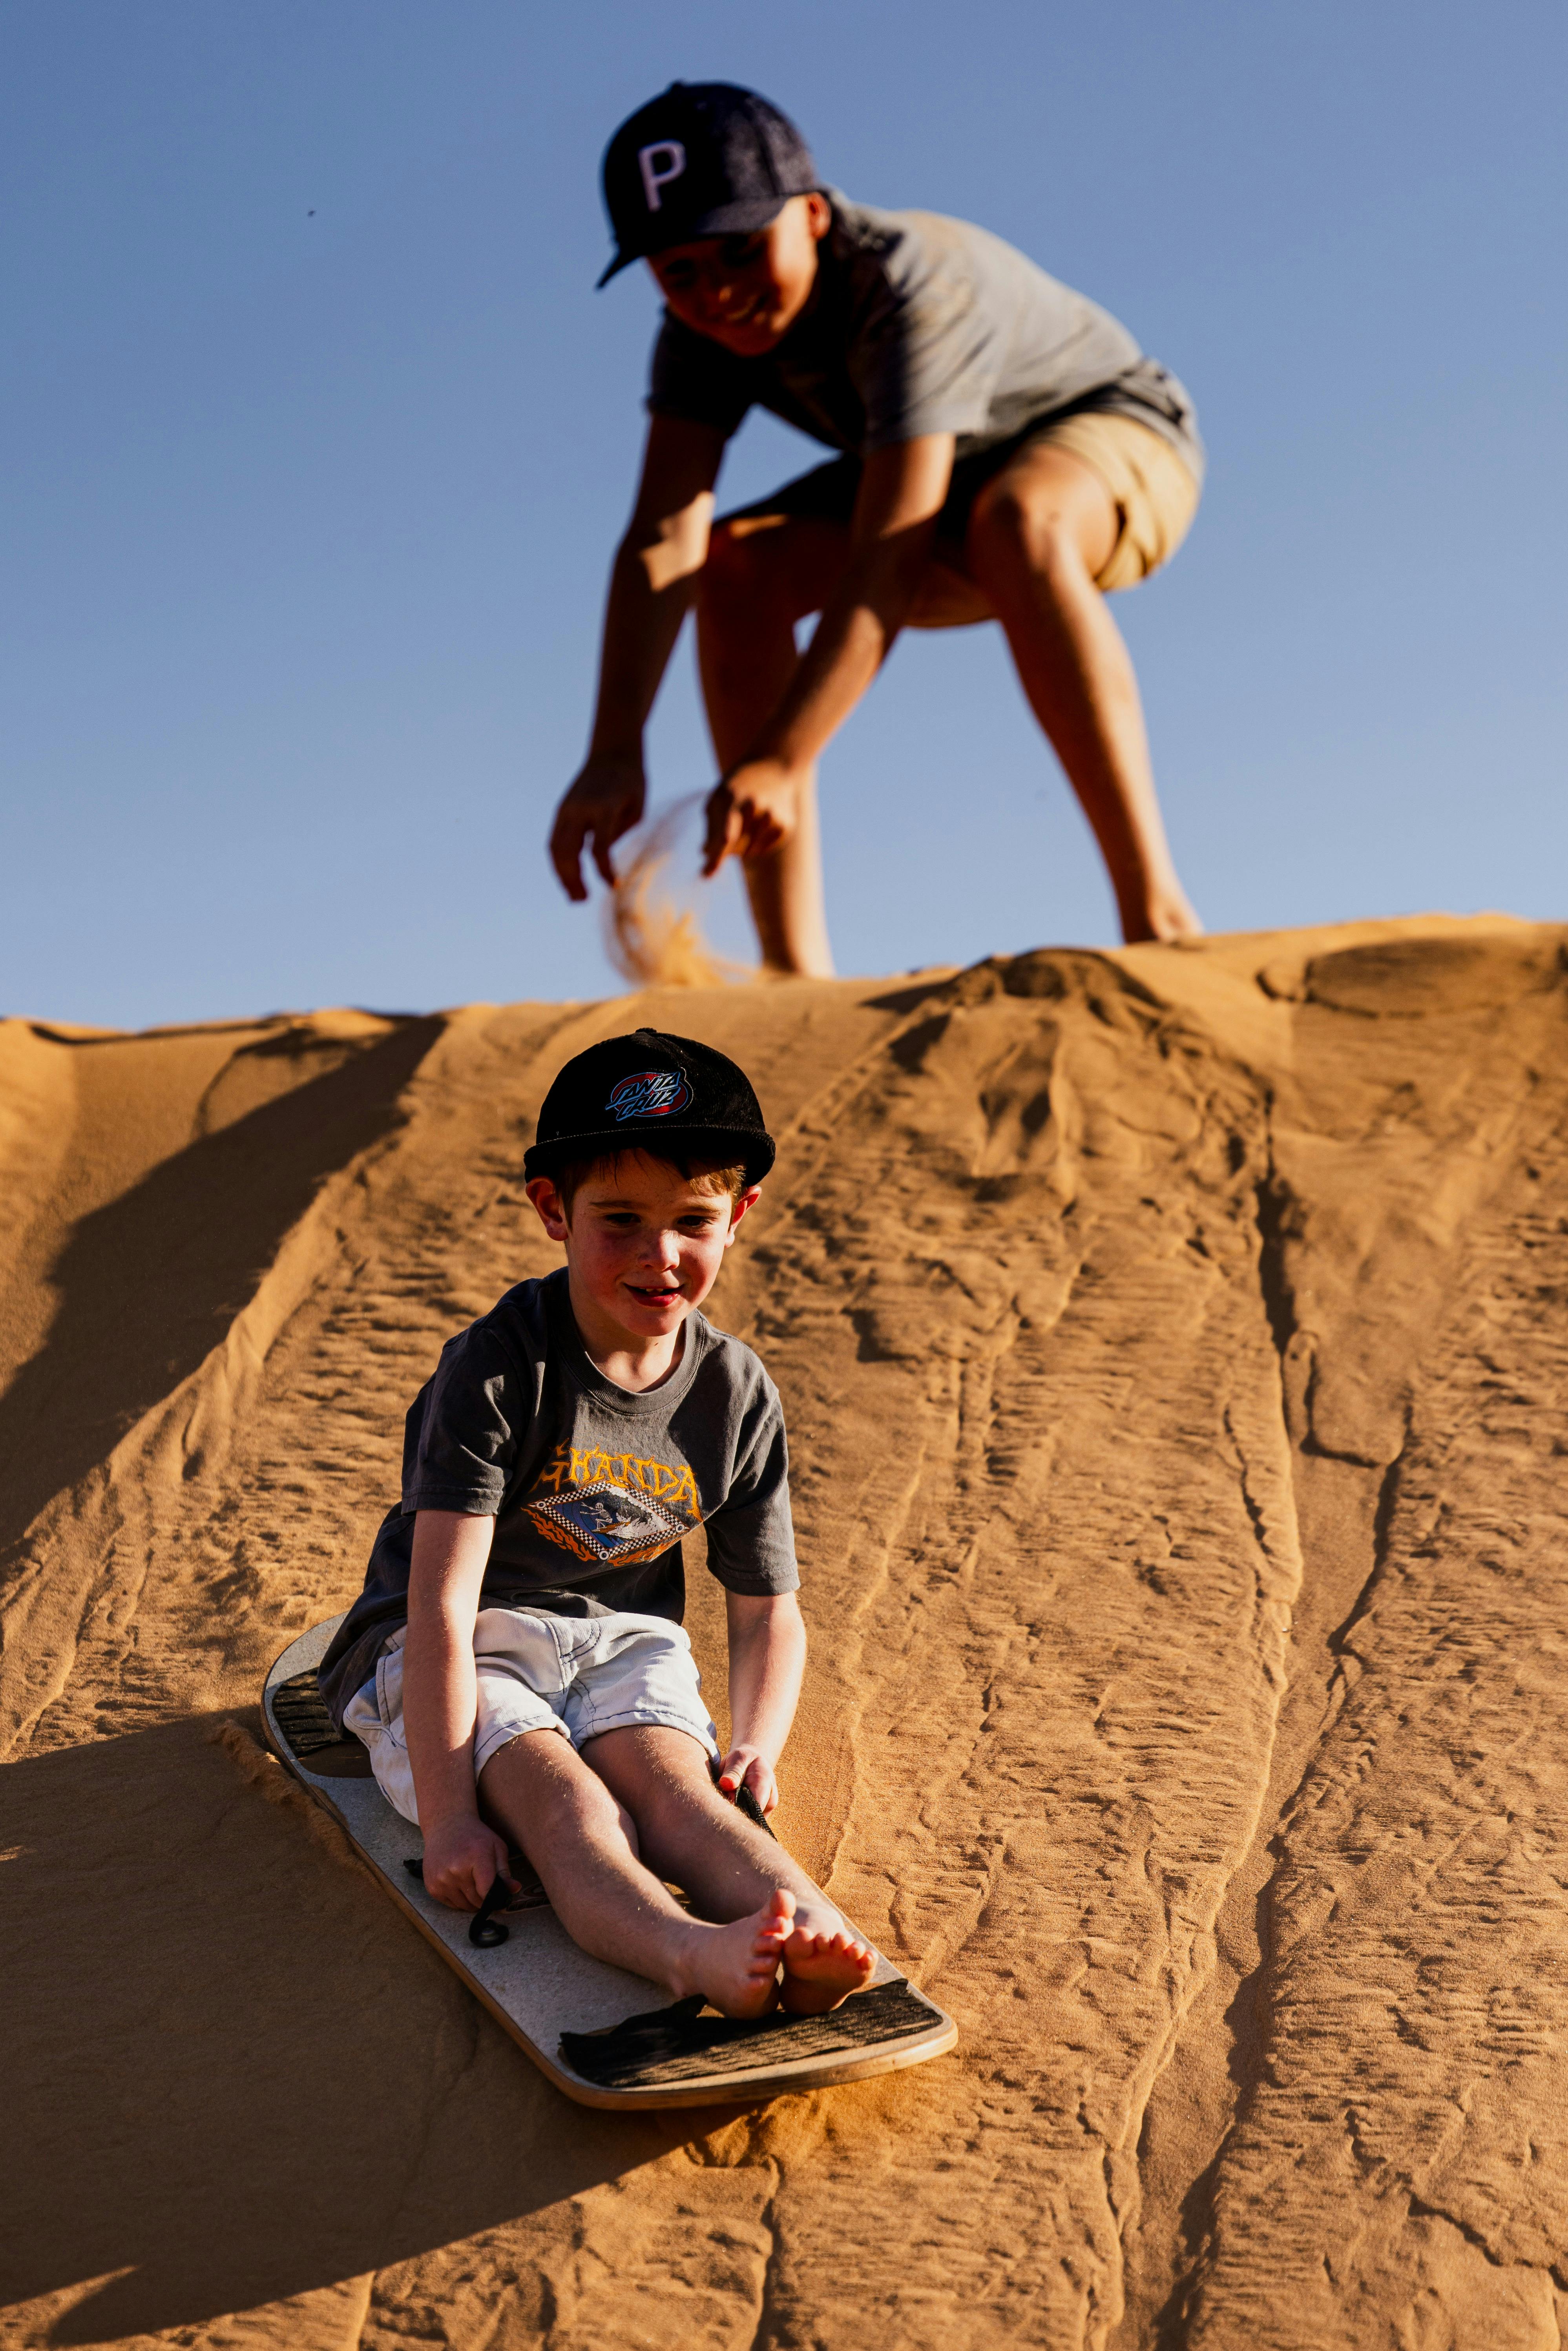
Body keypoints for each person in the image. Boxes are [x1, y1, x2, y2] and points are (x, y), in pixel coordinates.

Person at [549, 80, 1206, 977]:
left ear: (813, 214)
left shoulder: (908, 288)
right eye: (680, 273)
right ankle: (794, 978)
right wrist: (613, 748)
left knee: (1016, 520)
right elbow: (665, 536)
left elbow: (889, 553)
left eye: (742, 249)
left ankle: (1158, 918)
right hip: (936, 479)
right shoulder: (695, 335)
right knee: (733, 566)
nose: (720, 292)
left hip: (1111, 438)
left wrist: (785, 757)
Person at [318, 1029, 873, 2019]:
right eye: (621, 1220)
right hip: (462, 1647)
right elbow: (442, 1607)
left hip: (621, 1641)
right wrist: (449, 1819)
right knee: (571, 1805)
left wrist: (757, 1742)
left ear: (739, 1217)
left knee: (682, 1797)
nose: (662, 1255)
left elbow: (767, 1611)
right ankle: (689, 1954)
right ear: (553, 1211)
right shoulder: (498, 1368)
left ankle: (811, 1931)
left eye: (693, 1221)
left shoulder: (737, 1391)